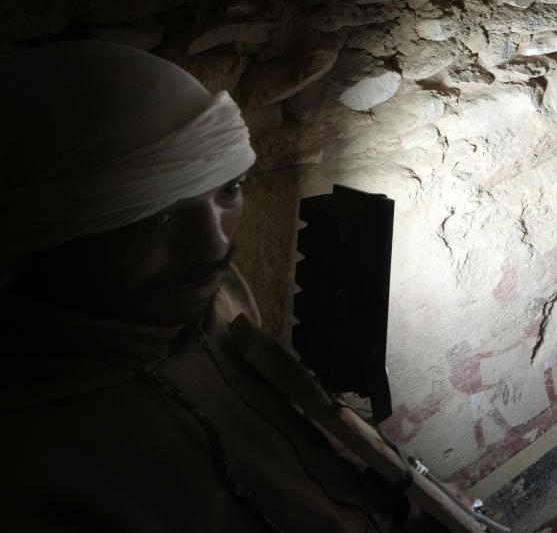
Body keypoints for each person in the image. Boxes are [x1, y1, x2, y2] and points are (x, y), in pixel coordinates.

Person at [0, 41, 466, 532]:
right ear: (44, 236)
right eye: (155, 218)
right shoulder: (29, 468)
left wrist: (409, 505)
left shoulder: (215, 298)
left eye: (229, 190)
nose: (213, 243)